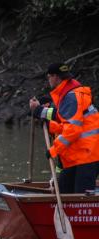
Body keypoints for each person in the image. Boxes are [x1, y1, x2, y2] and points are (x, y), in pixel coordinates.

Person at [29, 62, 99, 193]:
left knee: (80, 197)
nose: (48, 80)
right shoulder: (67, 93)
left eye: (48, 77)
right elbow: (64, 123)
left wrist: (53, 150)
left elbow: (73, 130)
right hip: (80, 154)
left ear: (55, 77)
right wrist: (46, 121)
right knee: (63, 189)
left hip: (89, 154)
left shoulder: (71, 96)